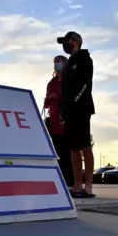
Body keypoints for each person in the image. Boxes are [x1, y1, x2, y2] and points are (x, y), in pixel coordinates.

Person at [57, 31, 96, 198]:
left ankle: (88, 185)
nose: (65, 45)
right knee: (73, 147)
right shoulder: (68, 65)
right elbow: (65, 90)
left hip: (82, 108)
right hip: (69, 111)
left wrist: (75, 102)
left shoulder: (84, 59)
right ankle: (77, 184)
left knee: (85, 145)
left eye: (67, 41)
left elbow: (85, 85)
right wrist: (63, 109)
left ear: (75, 41)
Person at [43, 55, 74, 189]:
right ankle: (60, 180)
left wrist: (59, 97)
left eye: (59, 61)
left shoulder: (70, 81)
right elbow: (47, 103)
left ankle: (71, 181)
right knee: (58, 152)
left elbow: (72, 97)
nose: (56, 64)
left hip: (67, 120)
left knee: (68, 152)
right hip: (54, 120)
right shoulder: (52, 83)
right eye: (54, 62)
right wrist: (48, 99)